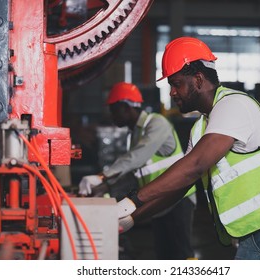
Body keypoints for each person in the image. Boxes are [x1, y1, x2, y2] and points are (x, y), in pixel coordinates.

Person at [117, 37, 260, 260]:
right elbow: (182, 185)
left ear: (199, 79)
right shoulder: (201, 127)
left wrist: (134, 199)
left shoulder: (234, 105)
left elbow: (195, 166)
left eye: (177, 84)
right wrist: (133, 217)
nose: (172, 93)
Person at [79, 81, 197, 260]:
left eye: (114, 110)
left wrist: (102, 176)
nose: (111, 115)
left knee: (181, 253)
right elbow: (137, 175)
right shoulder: (136, 133)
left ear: (126, 108)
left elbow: (136, 157)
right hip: (157, 202)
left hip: (177, 198)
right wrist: (106, 188)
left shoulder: (157, 123)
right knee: (165, 256)